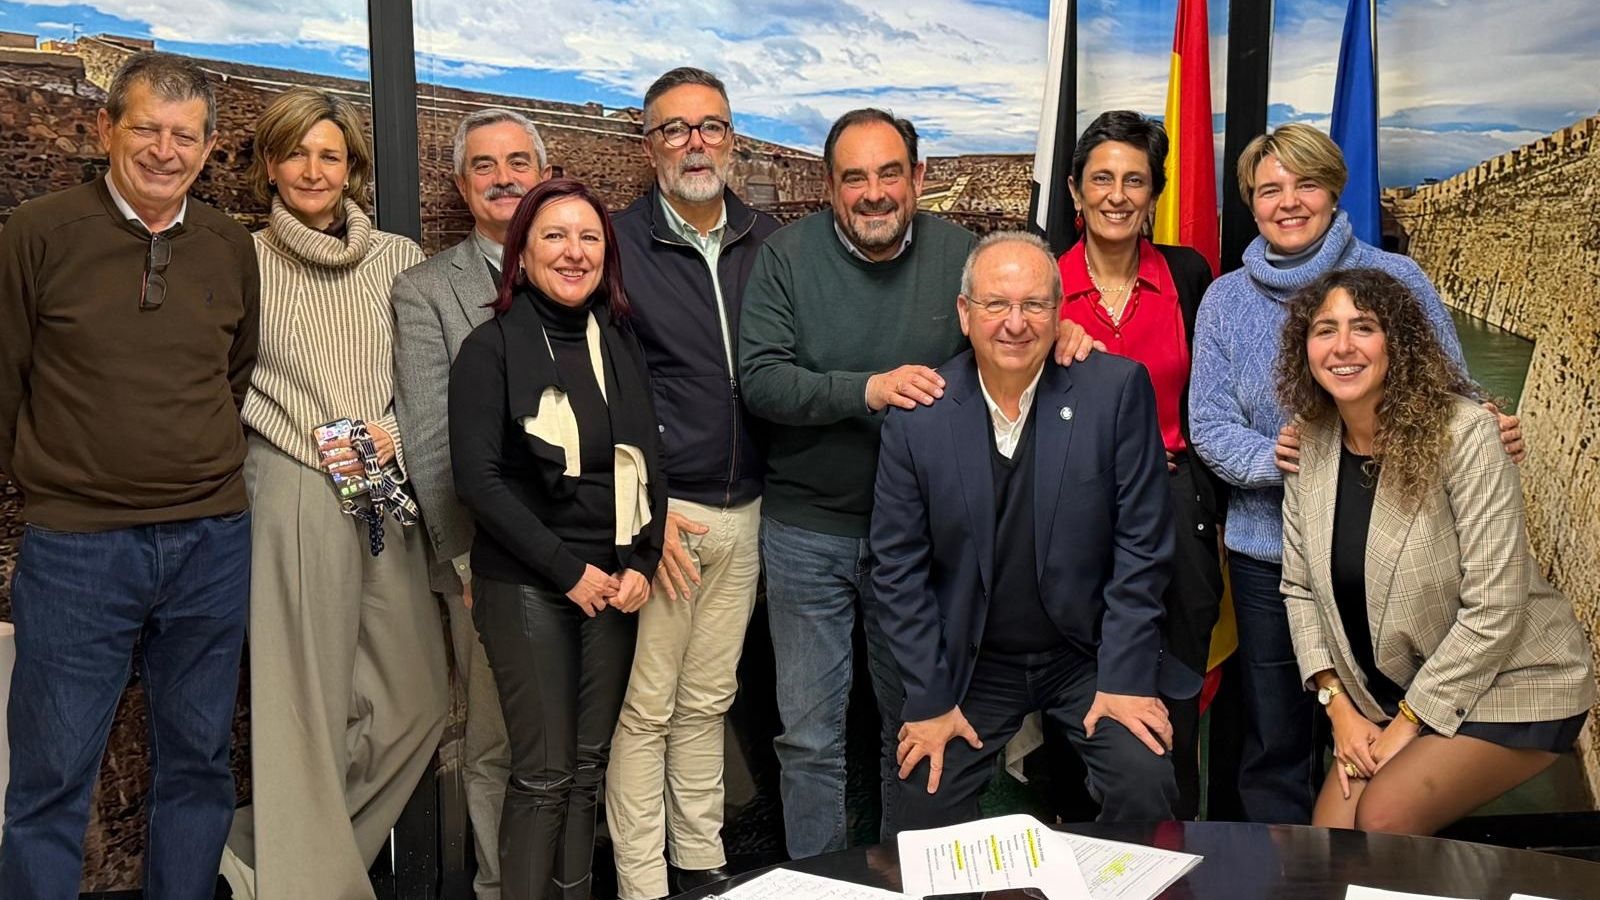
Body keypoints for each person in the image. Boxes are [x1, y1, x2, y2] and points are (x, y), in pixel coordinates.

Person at [739, 108, 1094, 858]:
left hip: (931, 543)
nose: (874, 193)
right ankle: (824, 883)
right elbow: (762, 381)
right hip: (808, 531)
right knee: (808, 735)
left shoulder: (966, 258)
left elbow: (1014, 316)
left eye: (890, 173)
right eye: (855, 177)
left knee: (919, 727)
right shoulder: (786, 257)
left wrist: (1055, 332)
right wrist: (866, 389)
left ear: (919, 179)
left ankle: (914, 877)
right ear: (829, 188)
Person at [1187, 123, 1524, 824]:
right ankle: (1280, 875)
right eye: (1269, 189)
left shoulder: (1397, 278)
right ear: (1251, 203)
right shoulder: (1223, 299)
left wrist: (1487, 429)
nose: (1288, 202)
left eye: (1304, 184)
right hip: (1267, 556)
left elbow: (1451, 390)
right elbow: (1209, 425)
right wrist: (1276, 462)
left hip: (1390, 558)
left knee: (1399, 736)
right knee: (1276, 735)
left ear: (1333, 190)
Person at [0, 51, 258, 900]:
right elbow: (8, 381)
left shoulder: (227, 245)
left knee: (199, 764)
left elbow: (234, 373)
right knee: (51, 778)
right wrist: (68, 480)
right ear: (105, 128)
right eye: (145, 127)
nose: (163, 149)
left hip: (210, 543)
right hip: (78, 549)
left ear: (209, 147)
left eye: (184, 135)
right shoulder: (38, 234)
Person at [873, 231, 1186, 830]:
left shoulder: (1115, 393)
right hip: (974, 660)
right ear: (965, 314)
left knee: (1144, 778)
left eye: (1034, 305)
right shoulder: (920, 419)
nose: (1015, 323)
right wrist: (932, 701)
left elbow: (1142, 550)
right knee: (924, 799)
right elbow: (898, 570)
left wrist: (1123, 678)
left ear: (1058, 311)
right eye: (996, 305)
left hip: (1086, 654)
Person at [221, 87, 447, 900]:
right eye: (295, 153)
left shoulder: (398, 257)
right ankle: (312, 887)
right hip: (288, 482)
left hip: (381, 481)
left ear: (352, 166)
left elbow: (425, 374)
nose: (313, 170)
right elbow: (219, 375)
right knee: (302, 707)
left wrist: (389, 431)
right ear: (269, 166)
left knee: (416, 700)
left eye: (329, 154)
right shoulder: (237, 255)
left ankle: (258, 852)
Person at [1275, 267, 1593, 834]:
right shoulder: (1310, 442)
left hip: (1514, 683)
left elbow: (1494, 609)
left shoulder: (1466, 435)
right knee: (1327, 840)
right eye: (1325, 330)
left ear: (1397, 344)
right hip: (1388, 695)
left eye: (1363, 327)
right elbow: (1299, 589)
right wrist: (1338, 708)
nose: (1342, 346)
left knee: (1383, 817)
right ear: (1306, 349)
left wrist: (1408, 724)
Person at [449, 177, 667, 900]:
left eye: (589, 238)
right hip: (529, 585)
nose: (573, 253)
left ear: (607, 253)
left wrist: (640, 559)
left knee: (587, 769)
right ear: (521, 252)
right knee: (543, 774)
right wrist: (569, 571)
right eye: (554, 236)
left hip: (613, 584)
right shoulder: (490, 349)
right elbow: (479, 483)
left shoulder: (621, 342)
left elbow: (648, 463)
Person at [605, 68, 779, 900]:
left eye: (709, 126)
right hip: (669, 515)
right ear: (650, 146)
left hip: (750, 509)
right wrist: (647, 510)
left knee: (709, 699)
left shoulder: (770, 238)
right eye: (675, 129)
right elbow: (603, 387)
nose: (695, 144)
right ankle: (642, 883)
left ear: (731, 138)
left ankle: (701, 866)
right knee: (647, 710)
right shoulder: (616, 243)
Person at [392, 107, 551, 900]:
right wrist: (459, 555)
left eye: (519, 161)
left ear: (543, 175)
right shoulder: (426, 291)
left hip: (586, 553)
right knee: (496, 739)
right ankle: (500, 886)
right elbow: (426, 436)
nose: (504, 178)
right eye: (484, 166)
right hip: (486, 557)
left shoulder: (583, 270)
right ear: (461, 185)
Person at [1055, 110, 1226, 818]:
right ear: (1075, 190)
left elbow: (1220, 397)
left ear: (1154, 192)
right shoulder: (1040, 285)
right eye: (1102, 178)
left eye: (1134, 179)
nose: (1117, 195)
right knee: (1078, 693)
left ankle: (1172, 856)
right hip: (1069, 517)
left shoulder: (1188, 275)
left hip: (1173, 508)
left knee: (1172, 695)